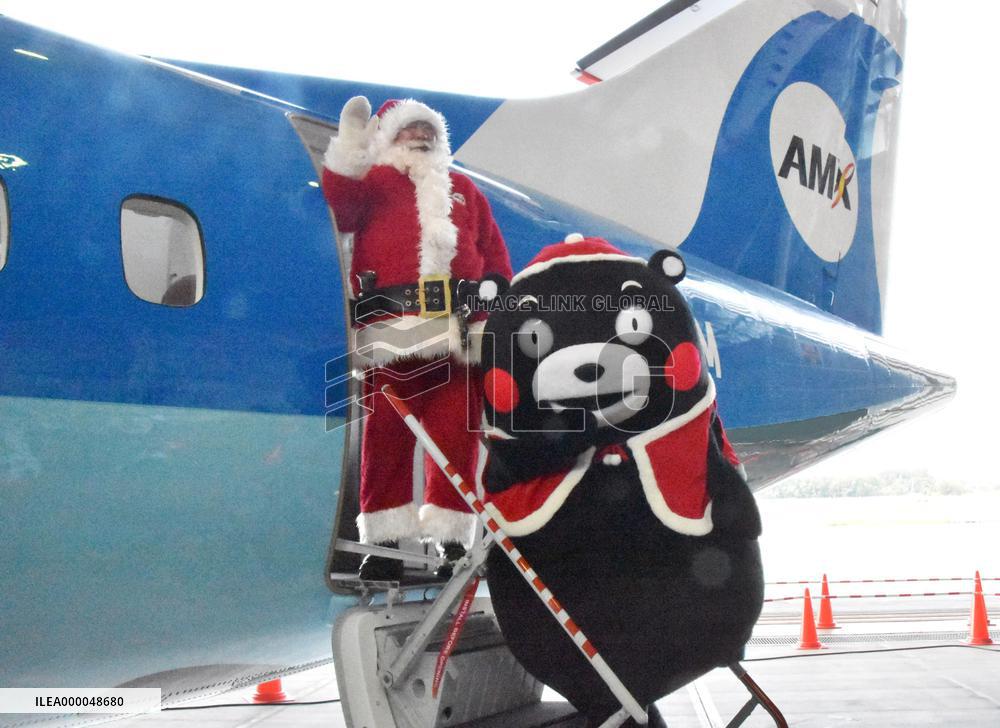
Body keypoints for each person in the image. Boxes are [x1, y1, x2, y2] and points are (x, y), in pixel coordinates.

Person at [322, 96, 512, 581]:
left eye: (428, 129)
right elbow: (339, 206)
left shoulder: (466, 190)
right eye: (410, 129)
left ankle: (450, 541)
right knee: (383, 443)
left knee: (455, 442)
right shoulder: (375, 183)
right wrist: (348, 143)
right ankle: (383, 545)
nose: (420, 136)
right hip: (392, 336)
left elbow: (493, 257)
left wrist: (491, 302)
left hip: (455, 338)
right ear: (391, 136)